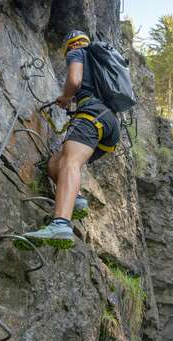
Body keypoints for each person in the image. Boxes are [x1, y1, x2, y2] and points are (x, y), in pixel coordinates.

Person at [23, 30, 120, 246]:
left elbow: (74, 80)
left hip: (92, 115)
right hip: (110, 125)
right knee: (55, 164)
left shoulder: (77, 52)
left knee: (70, 162)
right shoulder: (101, 63)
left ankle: (60, 224)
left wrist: (66, 97)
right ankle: (75, 200)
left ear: (70, 45)